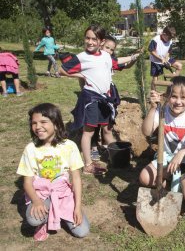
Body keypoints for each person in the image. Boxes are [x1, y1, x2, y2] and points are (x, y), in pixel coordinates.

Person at [16, 103, 90, 241]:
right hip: (41, 194)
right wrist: (37, 201)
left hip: (63, 194)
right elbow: (27, 183)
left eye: (43, 122)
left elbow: (76, 179)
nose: (38, 127)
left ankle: (63, 210)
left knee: (82, 231)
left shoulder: (69, 146)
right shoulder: (31, 149)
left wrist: (77, 207)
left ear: (56, 124)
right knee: (34, 219)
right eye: (34, 123)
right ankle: (44, 222)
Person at [59, 25, 120, 175]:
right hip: (90, 99)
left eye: (94, 39)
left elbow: (114, 65)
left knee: (107, 129)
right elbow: (62, 70)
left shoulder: (106, 56)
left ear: (101, 41)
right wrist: (80, 75)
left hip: (105, 100)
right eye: (88, 38)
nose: (90, 42)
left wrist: (133, 57)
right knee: (89, 132)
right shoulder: (81, 57)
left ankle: (116, 157)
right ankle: (87, 164)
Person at [140, 76, 185, 206]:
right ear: (167, 96)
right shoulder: (162, 111)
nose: (178, 102)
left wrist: (182, 153)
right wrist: (153, 108)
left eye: (183, 98)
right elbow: (146, 131)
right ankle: (168, 179)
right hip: (165, 160)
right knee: (144, 178)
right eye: (174, 96)